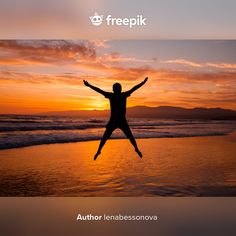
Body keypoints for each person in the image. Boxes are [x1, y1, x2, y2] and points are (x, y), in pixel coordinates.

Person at [83, 77, 148, 160]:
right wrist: (143, 83)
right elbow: (134, 88)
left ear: (117, 89)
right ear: (116, 89)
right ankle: (136, 149)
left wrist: (89, 85)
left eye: (117, 88)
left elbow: (99, 90)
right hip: (117, 121)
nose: (117, 90)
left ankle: (99, 150)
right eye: (116, 88)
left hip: (118, 121)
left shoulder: (113, 95)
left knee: (110, 137)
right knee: (109, 137)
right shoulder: (121, 95)